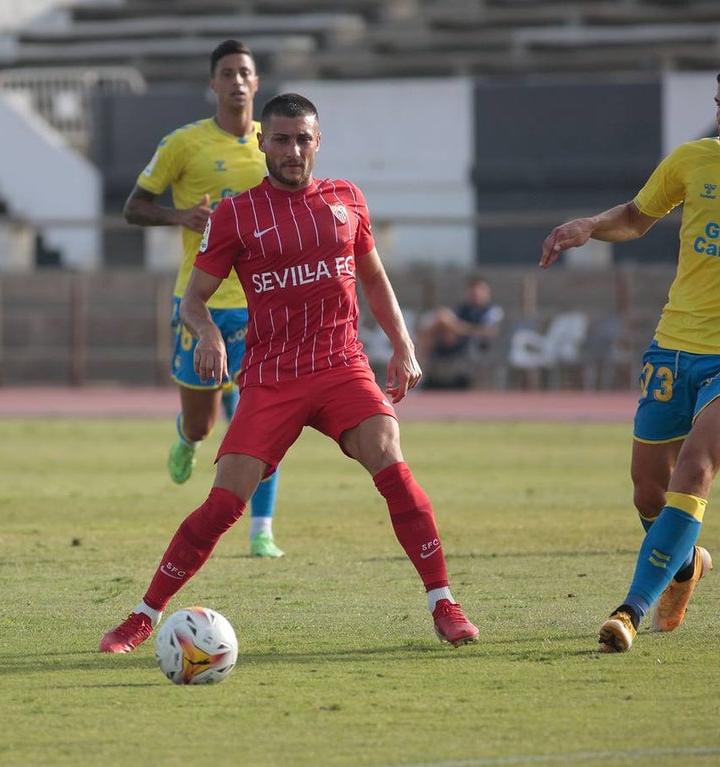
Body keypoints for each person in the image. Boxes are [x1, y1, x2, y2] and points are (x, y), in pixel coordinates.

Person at [100, 93, 480, 654]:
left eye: (303, 138)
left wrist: (402, 346)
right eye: (281, 138)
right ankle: (142, 615)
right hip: (273, 376)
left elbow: (374, 280)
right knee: (223, 504)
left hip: (341, 364)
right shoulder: (234, 214)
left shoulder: (347, 199)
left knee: (392, 463)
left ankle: (443, 603)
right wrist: (206, 333)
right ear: (262, 143)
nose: (294, 149)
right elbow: (193, 299)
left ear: (317, 142)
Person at [540, 56, 720, 653]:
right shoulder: (693, 161)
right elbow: (636, 219)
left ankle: (628, 612)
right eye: (718, 105)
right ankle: (685, 566)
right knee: (646, 491)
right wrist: (590, 225)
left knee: (696, 467)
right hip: (674, 346)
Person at [122, 40, 284, 558]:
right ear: (213, 84)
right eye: (228, 73)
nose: (237, 81)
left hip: (265, 304)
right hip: (202, 301)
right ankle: (187, 438)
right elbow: (134, 207)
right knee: (204, 421)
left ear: (257, 84)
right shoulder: (184, 144)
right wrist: (181, 216)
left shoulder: (276, 143)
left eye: (246, 73)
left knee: (260, 423)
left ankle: (262, 530)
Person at [415, 275, 503, 389]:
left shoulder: (492, 311)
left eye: (480, 290)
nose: (475, 294)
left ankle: (417, 371)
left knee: (443, 318)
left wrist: (462, 329)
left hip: (476, 345)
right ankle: (420, 372)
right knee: (440, 320)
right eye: (472, 291)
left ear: (487, 292)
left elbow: (490, 331)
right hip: (453, 341)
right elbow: (453, 326)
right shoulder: (462, 309)